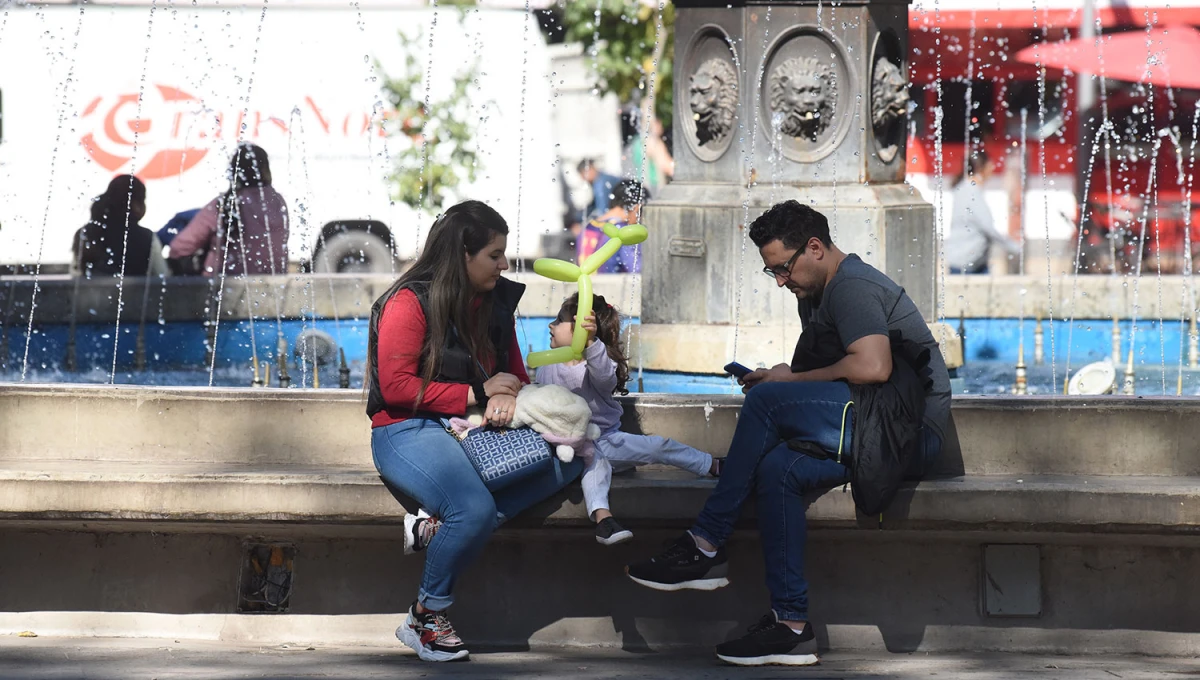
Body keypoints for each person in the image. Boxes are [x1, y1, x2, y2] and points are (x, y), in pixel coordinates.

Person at [625, 200, 950, 667]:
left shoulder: (851, 287)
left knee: (766, 402)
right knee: (778, 469)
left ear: (814, 248)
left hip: (907, 434)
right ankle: (791, 626)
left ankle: (705, 543)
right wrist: (784, 375)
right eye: (771, 271)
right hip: (873, 426)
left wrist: (788, 384)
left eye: (783, 268)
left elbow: (873, 367)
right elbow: (830, 374)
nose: (780, 281)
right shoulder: (813, 292)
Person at [365, 200, 585, 663]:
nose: (504, 264)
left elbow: (515, 374)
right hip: (407, 429)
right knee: (472, 508)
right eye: (494, 254)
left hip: (473, 427)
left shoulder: (495, 300)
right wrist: (476, 393)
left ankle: (437, 529)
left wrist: (509, 396)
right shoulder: (408, 301)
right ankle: (425, 617)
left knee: (573, 462)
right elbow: (396, 386)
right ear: (462, 255)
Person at [535, 293, 721, 546]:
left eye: (559, 320)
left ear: (582, 330)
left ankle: (710, 464)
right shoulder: (547, 365)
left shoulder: (598, 364)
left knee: (657, 446)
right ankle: (603, 520)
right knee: (596, 462)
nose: (551, 325)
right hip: (564, 445)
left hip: (606, 439)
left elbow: (605, 379)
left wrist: (591, 344)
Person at [169, 143, 289, 277]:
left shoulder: (225, 203)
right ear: (266, 169)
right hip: (274, 284)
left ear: (233, 171)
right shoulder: (278, 202)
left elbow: (178, 247)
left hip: (224, 284)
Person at [72, 174, 167, 278]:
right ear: (136, 205)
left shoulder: (84, 233)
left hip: (91, 289)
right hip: (136, 289)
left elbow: (75, 276)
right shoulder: (147, 238)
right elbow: (162, 276)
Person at [944, 148, 1019, 274]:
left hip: (966, 259)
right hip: (967, 262)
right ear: (981, 168)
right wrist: (1014, 247)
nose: (993, 169)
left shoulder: (963, 188)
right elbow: (988, 227)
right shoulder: (971, 192)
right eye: (990, 166)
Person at [575, 179, 647, 273]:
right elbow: (637, 269)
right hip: (613, 282)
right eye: (643, 212)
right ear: (637, 207)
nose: (641, 219)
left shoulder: (587, 228)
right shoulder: (622, 232)